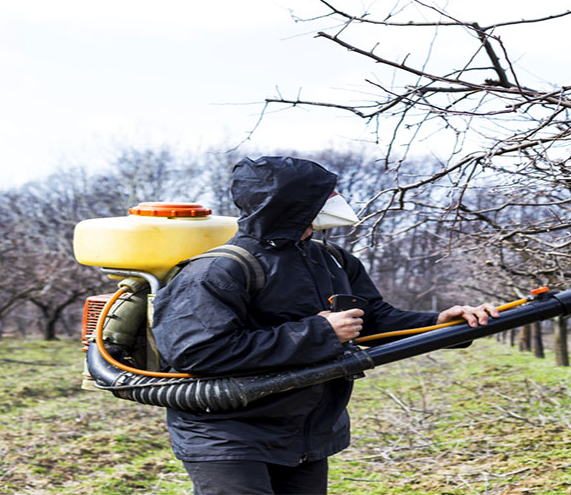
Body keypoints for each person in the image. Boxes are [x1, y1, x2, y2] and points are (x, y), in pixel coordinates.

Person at [152, 156, 498, 494]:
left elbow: (373, 320)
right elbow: (197, 353)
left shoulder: (332, 259)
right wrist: (320, 332)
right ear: (292, 205)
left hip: (304, 433)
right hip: (226, 435)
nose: (336, 201)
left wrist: (438, 323)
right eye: (325, 195)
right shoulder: (217, 271)